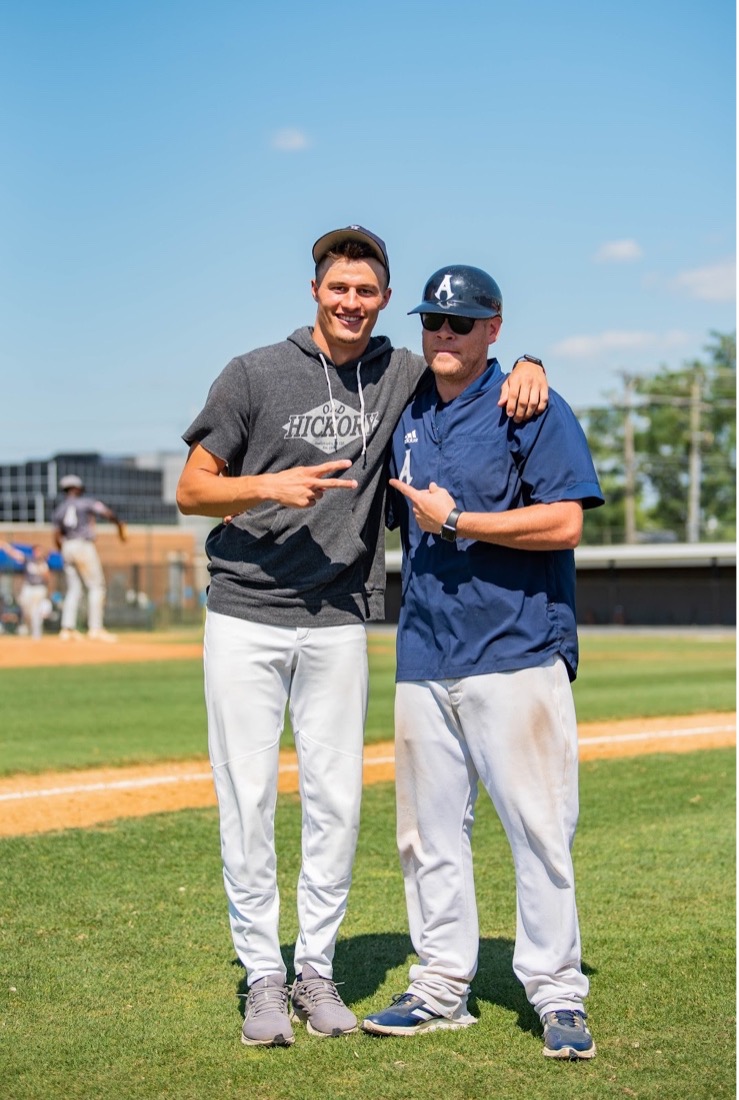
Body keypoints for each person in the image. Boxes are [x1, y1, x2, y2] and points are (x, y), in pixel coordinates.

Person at [176, 227, 549, 1048]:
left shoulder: (401, 371)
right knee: (247, 800)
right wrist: (265, 484)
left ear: (383, 300)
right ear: (315, 290)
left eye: (367, 291)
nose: (351, 303)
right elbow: (191, 488)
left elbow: (476, 361)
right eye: (338, 288)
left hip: (341, 618)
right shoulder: (252, 373)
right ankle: (262, 979)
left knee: (336, 804)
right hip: (244, 611)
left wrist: (533, 366)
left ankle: (315, 969)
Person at [361, 265, 604, 1060]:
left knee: (537, 832)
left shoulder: (526, 404)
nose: (442, 334)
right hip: (424, 652)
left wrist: (460, 518)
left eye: (459, 323)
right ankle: (438, 987)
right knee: (426, 836)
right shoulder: (406, 405)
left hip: (515, 649)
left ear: (492, 329)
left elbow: (566, 521)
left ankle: (557, 992)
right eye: (432, 320)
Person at [51, 474, 128, 642]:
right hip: (82, 545)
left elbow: (56, 535)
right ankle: (95, 628)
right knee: (97, 586)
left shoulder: (60, 509)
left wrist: (63, 550)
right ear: (77, 489)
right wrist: (118, 522)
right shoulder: (86, 502)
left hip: (66, 546)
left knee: (73, 589)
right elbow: (106, 512)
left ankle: (67, 629)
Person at [0, 541, 52, 639]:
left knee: (36, 611)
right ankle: (27, 627)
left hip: (39, 588)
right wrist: (5, 546)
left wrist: (43, 570)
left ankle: (36, 635)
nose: (38, 553)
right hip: (28, 588)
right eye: (36, 551)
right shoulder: (29, 560)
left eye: (39, 551)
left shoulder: (44, 563)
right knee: (26, 609)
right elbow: (15, 554)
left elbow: (48, 578)